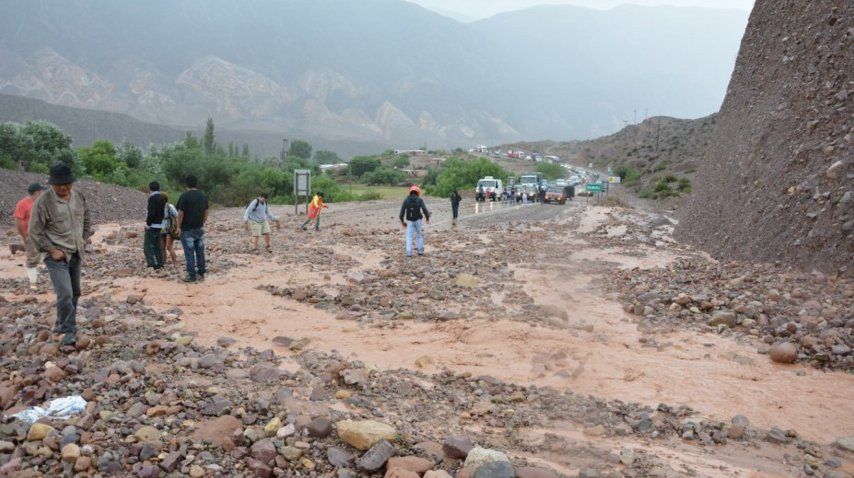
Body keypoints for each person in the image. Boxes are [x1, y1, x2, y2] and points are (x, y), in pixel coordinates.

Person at [29, 163, 93, 347]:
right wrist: (50, 250)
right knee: (65, 293)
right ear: (51, 184)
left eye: (66, 184)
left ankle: (61, 323)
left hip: (76, 252)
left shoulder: (78, 196)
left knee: (75, 292)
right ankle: (68, 330)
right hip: (57, 256)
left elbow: (86, 216)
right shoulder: (43, 202)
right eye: (59, 185)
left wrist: (84, 238)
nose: (63, 188)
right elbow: (35, 231)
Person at [13, 183, 47, 290]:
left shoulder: (40, 203)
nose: (43, 193)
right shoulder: (22, 203)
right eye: (41, 191)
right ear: (37, 192)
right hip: (30, 235)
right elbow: (18, 220)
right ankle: (33, 283)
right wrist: (24, 235)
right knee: (32, 259)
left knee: (51, 256)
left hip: (43, 234)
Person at [176, 175, 209, 283]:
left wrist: (178, 227)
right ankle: (201, 272)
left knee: (189, 253)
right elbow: (206, 211)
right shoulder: (203, 196)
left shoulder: (184, 196)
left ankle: (191, 275)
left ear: (187, 184)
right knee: (200, 251)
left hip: (187, 229)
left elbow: (180, 213)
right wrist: (203, 222)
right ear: (196, 184)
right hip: (199, 228)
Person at [399, 185, 430, 257]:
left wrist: (402, 220)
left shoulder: (406, 200)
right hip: (418, 220)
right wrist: (427, 218)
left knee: (409, 236)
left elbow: (402, 211)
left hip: (410, 220)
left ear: (410, 192)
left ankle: (409, 252)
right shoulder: (420, 199)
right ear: (417, 192)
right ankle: (420, 252)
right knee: (419, 235)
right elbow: (424, 209)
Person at [144, 181, 165, 269]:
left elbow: (151, 213)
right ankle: (160, 264)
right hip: (159, 225)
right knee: (158, 246)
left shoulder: (152, 198)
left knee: (148, 246)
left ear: (150, 189)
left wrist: (148, 224)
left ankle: (151, 264)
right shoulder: (162, 198)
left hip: (152, 226)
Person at [161, 193, 179, 265]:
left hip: (170, 229)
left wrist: (177, 227)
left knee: (169, 247)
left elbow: (177, 216)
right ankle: (163, 263)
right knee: (162, 247)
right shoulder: (159, 207)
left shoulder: (170, 206)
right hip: (161, 230)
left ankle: (175, 263)